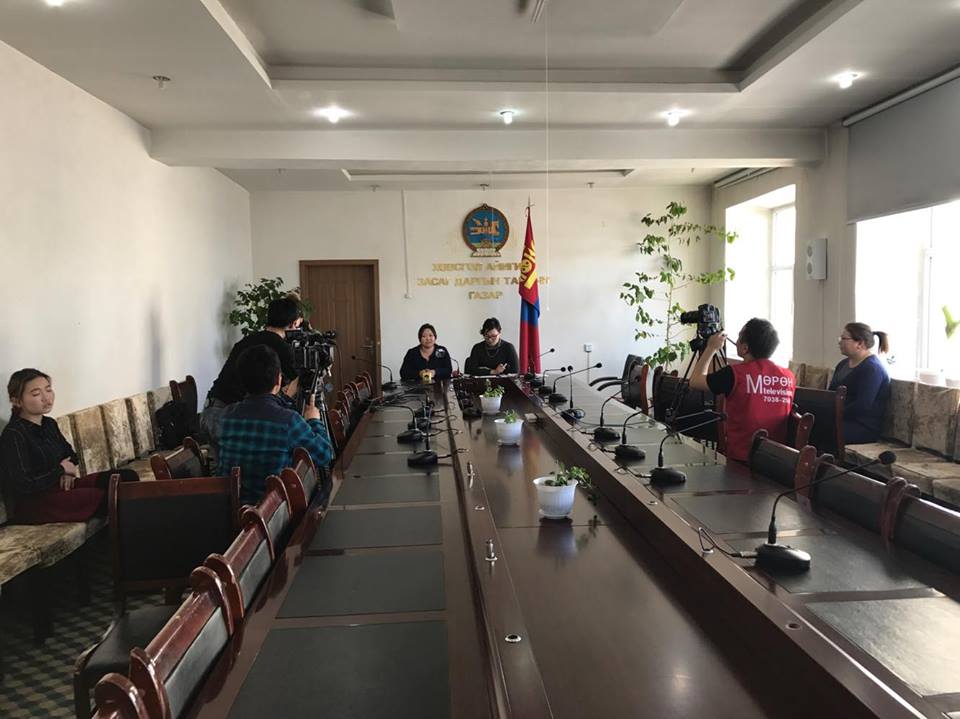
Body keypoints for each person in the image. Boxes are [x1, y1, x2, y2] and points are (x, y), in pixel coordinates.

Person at [0, 369, 137, 524]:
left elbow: (72, 456)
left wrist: (66, 473)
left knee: (127, 477)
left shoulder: (49, 423)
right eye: (36, 394)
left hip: (62, 486)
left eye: (48, 390)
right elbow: (24, 484)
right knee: (111, 496)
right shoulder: (14, 434)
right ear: (17, 401)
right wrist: (61, 470)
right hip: (36, 503)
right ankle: (126, 537)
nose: (46, 398)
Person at [217, 345, 334, 504]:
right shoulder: (288, 421)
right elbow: (325, 454)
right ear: (278, 379)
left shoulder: (226, 416)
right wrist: (314, 420)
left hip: (234, 509)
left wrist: (285, 398)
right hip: (275, 512)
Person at [201, 296, 303, 451]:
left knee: (229, 466)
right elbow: (297, 381)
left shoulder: (247, 341)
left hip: (211, 412)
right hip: (230, 418)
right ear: (294, 323)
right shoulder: (281, 347)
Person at [688, 319, 796, 462]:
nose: (736, 341)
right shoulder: (789, 377)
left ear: (745, 348)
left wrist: (711, 348)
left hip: (741, 461)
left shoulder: (735, 374)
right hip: (777, 462)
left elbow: (695, 381)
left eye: (739, 337)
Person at [829, 323, 891, 444]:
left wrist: (835, 415)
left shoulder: (872, 369)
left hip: (862, 426)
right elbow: (830, 393)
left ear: (860, 343)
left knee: (817, 430)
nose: (840, 342)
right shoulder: (842, 364)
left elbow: (862, 405)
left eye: (844, 339)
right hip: (841, 420)